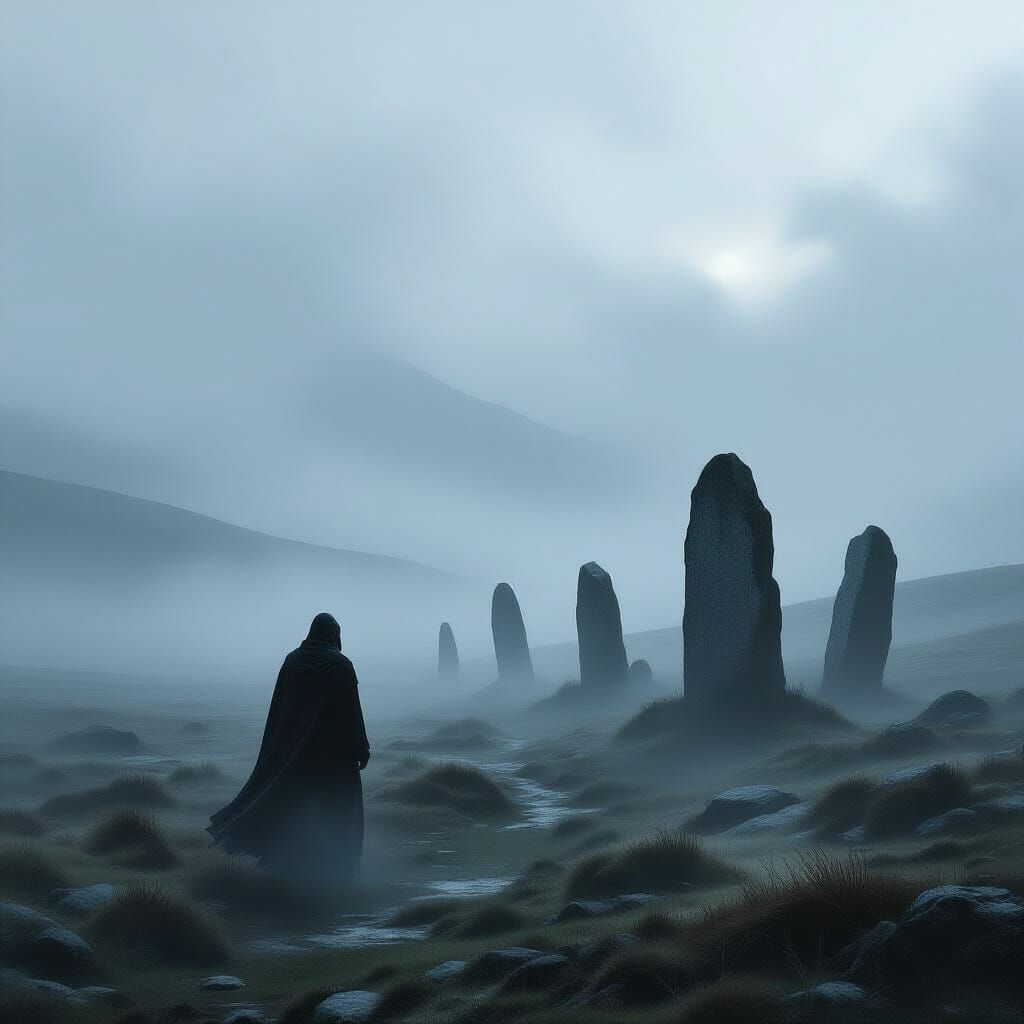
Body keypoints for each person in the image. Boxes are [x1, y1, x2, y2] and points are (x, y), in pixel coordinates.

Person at [208, 612, 370, 881]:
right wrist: (361, 748)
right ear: (334, 635)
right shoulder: (341, 665)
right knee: (338, 810)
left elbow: (279, 711)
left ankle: (291, 869)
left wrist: (277, 750)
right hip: (333, 758)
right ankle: (335, 872)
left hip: (293, 756)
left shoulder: (292, 661)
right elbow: (351, 711)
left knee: (293, 806)